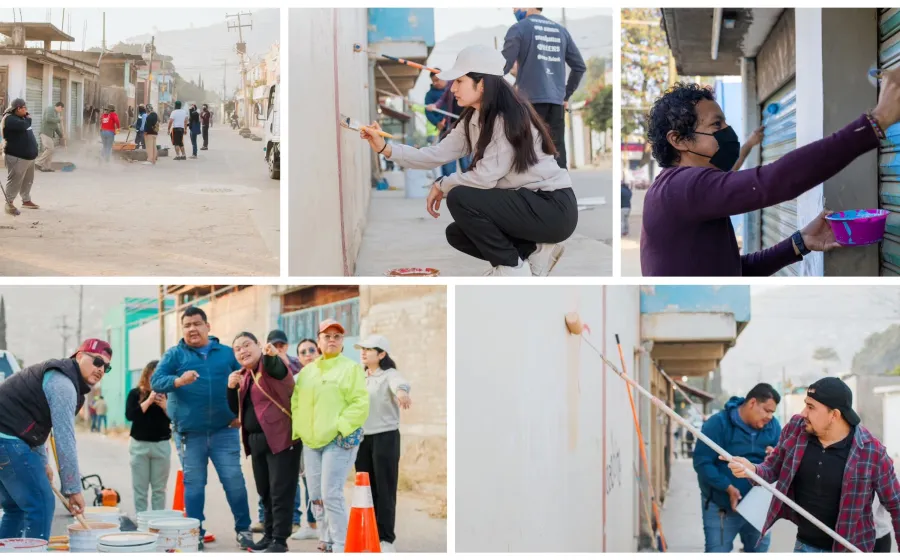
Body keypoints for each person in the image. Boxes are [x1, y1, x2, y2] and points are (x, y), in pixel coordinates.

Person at [642, 68, 900, 277]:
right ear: (679, 140)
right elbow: (773, 181)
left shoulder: (679, 190)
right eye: (716, 125)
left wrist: (800, 242)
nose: (728, 131)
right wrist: (875, 122)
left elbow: (734, 272)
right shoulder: (680, 187)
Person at [361, 44, 578, 277]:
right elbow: (435, 154)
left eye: (459, 81)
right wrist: (384, 148)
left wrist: (442, 185)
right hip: (527, 204)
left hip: (551, 207)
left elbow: (484, 178)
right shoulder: (473, 119)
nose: (453, 88)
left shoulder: (506, 119)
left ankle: (512, 269)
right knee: (458, 234)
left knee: (460, 197)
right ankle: (534, 251)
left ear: (482, 83)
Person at [725, 377, 900, 553]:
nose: (803, 413)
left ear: (834, 415)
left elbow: (896, 504)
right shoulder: (796, 428)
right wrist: (752, 470)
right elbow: (772, 468)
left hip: (849, 549)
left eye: (811, 407)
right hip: (804, 546)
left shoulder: (871, 451)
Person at [150, 306, 254, 550]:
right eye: (187, 325)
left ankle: (244, 530)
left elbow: (248, 380)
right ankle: (195, 532)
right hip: (189, 433)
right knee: (194, 485)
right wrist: (178, 381)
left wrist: (240, 414)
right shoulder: (175, 355)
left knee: (234, 481)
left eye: (197, 324)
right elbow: (156, 381)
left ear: (208, 326)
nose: (192, 329)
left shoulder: (227, 353)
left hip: (224, 430)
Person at [0, 339, 112, 540]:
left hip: (9, 438)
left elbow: (39, 424)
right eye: (97, 361)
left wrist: (43, 462)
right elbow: (64, 438)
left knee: (16, 508)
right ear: (79, 356)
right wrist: (73, 489)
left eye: (106, 367)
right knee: (41, 505)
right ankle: (35, 551)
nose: (101, 369)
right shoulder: (63, 384)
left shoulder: (61, 377)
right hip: (8, 438)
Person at [291, 319, 369, 553]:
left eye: (337, 336)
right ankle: (325, 537)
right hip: (311, 442)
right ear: (319, 341)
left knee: (330, 494)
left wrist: (341, 427)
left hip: (337, 440)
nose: (332, 340)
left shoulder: (350, 368)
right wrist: (300, 430)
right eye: (327, 336)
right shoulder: (307, 372)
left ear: (342, 342)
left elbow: (360, 402)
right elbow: (296, 402)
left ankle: (342, 545)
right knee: (315, 495)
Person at [228, 333, 301, 553]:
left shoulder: (268, 366)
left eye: (247, 345)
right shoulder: (244, 375)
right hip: (256, 440)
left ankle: (280, 540)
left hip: (280, 437)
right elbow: (234, 411)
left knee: (281, 491)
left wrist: (272, 356)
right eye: (237, 349)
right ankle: (269, 535)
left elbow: (278, 369)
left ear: (259, 346)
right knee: (265, 492)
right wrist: (230, 388)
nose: (243, 351)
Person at [692, 384, 782, 553]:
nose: (770, 417)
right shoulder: (718, 424)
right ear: (752, 403)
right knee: (717, 552)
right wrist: (727, 487)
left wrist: (774, 458)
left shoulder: (773, 427)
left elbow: (782, 462)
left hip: (758, 508)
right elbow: (702, 462)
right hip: (721, 505)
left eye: (772, 413)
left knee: (759, 552)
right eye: (767, 410)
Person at [502, 8, 586, 169]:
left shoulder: (519, 28)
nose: (513, 9)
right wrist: (565, 96)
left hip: (529, 103)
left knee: (530, 154)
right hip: (556, 103)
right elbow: (579, 67)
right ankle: (560, 185)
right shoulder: (560, 31)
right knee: (556, 152)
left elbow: (503, 66)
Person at [354, 335, 411, 554]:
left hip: (385, 437)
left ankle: (386, 539)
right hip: (362, 440)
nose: (363, 352)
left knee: (385, 489)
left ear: (381, 354)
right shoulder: (359, 376)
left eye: (369, 349)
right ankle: (369, 535)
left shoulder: (389, 375)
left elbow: (399, 384)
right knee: (366, 490)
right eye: (362, 348)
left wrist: (402, 392)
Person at [252, 330, 303, 536]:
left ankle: (293, 521)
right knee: (265, 483)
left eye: (281, 345)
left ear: (287, 346)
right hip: (264, 434)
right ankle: (265, 520)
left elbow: (291, 384)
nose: (277, 348)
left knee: (286, 483)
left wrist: (282, 362)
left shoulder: (295, 364)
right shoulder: (260, 362)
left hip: (288, 429)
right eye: (274, 344)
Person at [125, 360, 171, 514]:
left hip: (161, 445)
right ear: (147, 375)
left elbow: (176, 418)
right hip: (139, 445)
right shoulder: (135, 393)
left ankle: (157, 522)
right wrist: (149, 400)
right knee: (140, 489)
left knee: (159, 489)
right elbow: (130, 416)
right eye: (153, 375)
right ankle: (142, 521)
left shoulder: (168, 394)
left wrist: (165, 406)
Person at [291, 338, 321, 542]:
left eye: (312, 350)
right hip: (304, 437)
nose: (308, 354)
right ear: (298, 358)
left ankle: (328, 525)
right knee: (308, 480)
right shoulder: (295, 380)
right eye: (303, 352)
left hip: (327, 436)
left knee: (327, 484)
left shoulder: (329, 375)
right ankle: (312, 525)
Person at [0, 98, 39, 216]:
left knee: (28, 180)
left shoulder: (21, 118)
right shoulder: (10, 119)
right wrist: (28, 118)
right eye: (24, 108)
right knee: (15, 180)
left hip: (28, 156)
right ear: (18, 108)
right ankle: (9, 203)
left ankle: (26, 200)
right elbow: (24, 125)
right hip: (17, 156)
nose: (26, 110)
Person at [36, 101, 64, 172]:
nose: (61, 110)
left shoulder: (56, 114)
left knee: (50, 151)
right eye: (62, 109)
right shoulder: (50, 109)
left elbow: (55, 127)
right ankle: (38, 162)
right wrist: (59, 119)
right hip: (45, 133)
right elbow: (48, 119)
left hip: (49, 134)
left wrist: (61, 135)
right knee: (50, 149)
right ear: (59, 107)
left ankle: (47, 167)